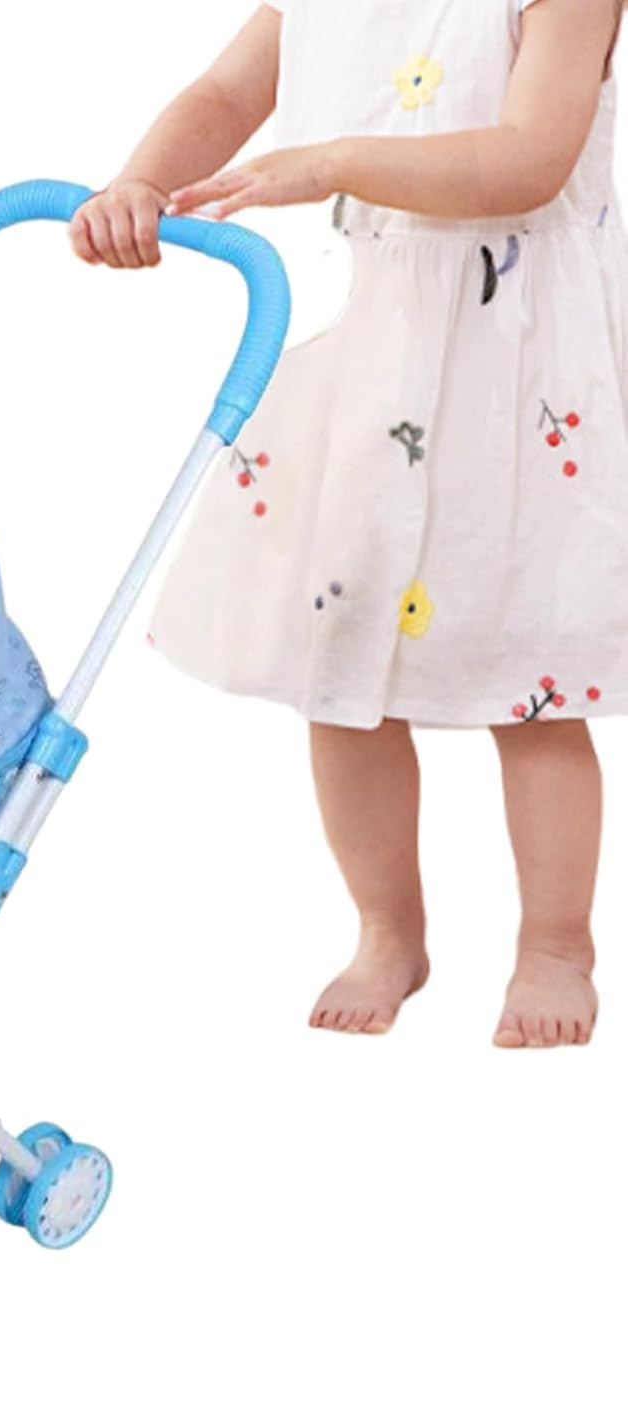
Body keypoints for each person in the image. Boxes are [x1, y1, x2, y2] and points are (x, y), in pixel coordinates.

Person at [71, 0, 626, 1046]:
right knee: (342, 651)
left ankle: (556, 945)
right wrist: (139, 181)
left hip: (527, 364)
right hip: (385, 352)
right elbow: (225, 92)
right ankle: (387, 928)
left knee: (535, 673)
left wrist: (331, 163)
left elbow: (529, 159)